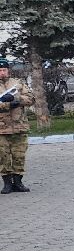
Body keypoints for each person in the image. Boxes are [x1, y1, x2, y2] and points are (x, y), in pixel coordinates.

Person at [0, 58, 35, 194]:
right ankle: (7, 183)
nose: (2, 73)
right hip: (2, 129)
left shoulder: (18, 83)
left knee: (19, 155)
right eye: (0, 70)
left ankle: (18, 182)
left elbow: (30, 99)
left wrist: (17, 99)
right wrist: (7, 104)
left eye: (4, 70)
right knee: (3, 156)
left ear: (8, 70)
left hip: (19, 126)